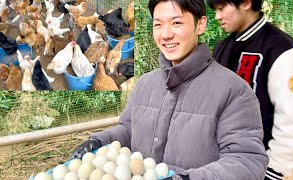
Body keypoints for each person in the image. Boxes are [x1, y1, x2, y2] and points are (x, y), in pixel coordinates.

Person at [71, 0, 268, 179]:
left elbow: (247, 162)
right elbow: (129, 130)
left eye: (176, 23)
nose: (165, 34)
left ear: (200, 25)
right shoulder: (145, 84)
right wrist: (99, 141)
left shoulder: (233, 91)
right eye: (158, 24)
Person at [207, 0, 293, 179]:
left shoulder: (283, 51)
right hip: (220, 164)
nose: (217, 16)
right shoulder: (221, 48)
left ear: (246, 3)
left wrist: (273, 171)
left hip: (257, 168)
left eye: (222, 8)